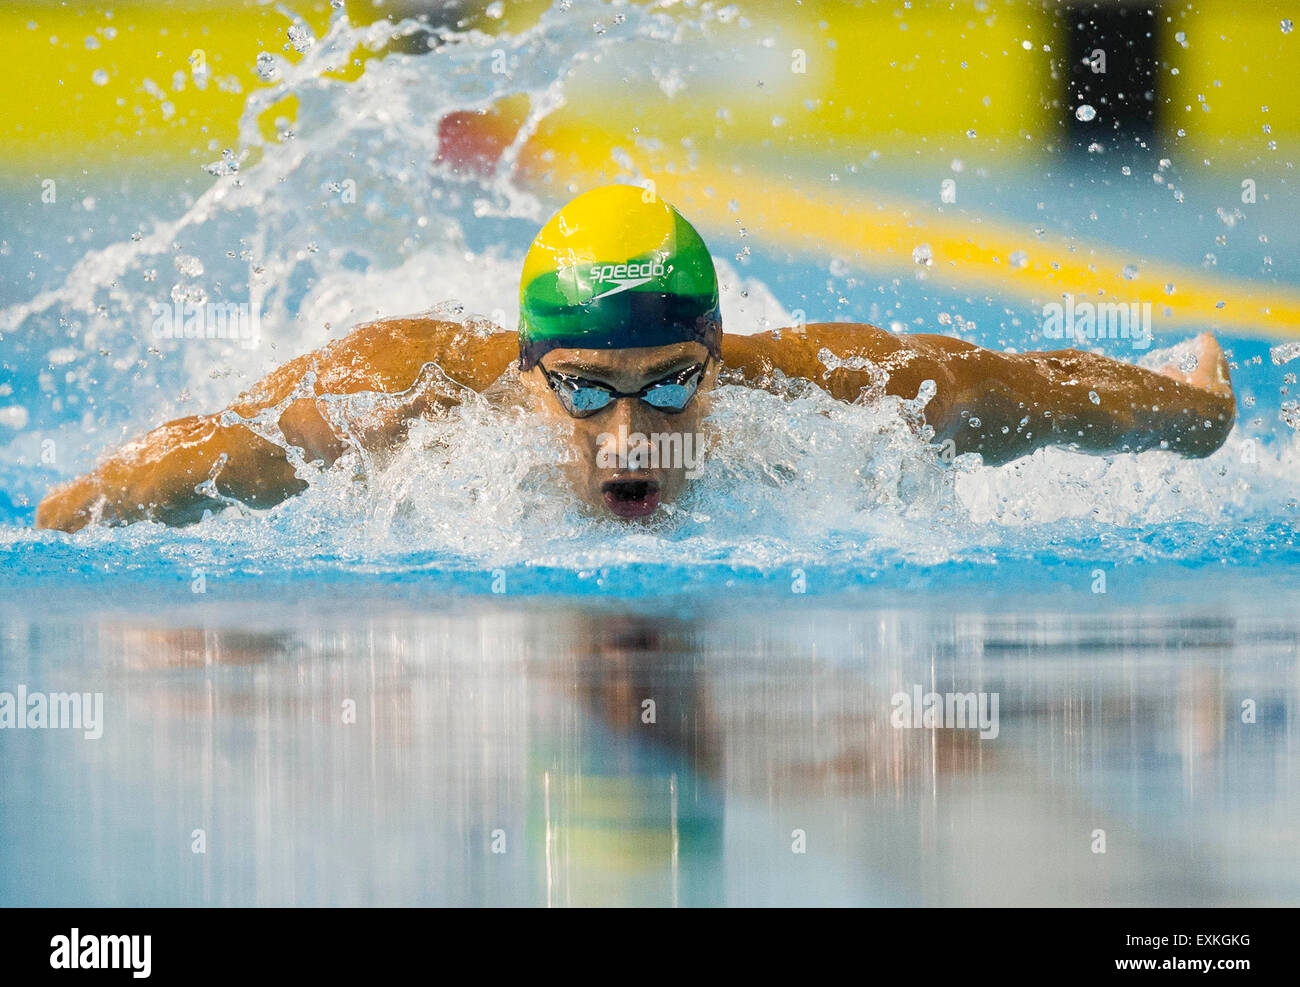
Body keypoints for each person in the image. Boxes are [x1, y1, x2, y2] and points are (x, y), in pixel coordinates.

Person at [35, 184, 1236, 532]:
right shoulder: (391, 400)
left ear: (719, 356)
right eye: (586, 394)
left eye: (671, 383)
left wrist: (1188, 410)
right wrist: (74, 515)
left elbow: (1029, 386)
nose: (630, 433)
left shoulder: (824, 384)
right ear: (528, 371)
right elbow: (178, 464)